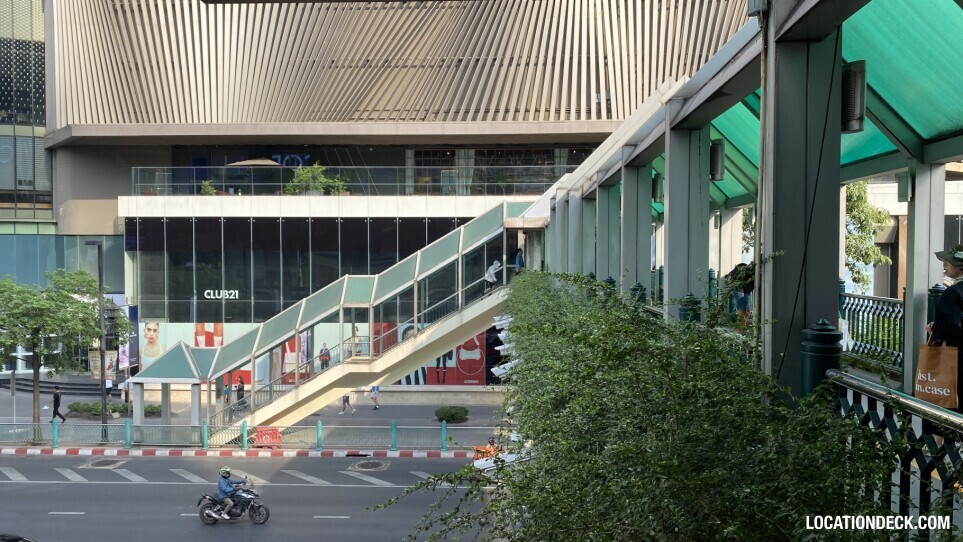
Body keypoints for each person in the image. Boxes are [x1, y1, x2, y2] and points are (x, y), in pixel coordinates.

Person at [926, 244, 963, 413]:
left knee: (947, 407)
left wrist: (934, 329)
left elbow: (951, 325)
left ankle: (937, 439)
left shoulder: (953, 293)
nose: (944, 267)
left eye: (947, 264)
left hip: (956, 357)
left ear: (959, 267)